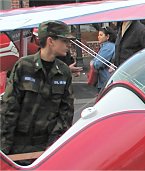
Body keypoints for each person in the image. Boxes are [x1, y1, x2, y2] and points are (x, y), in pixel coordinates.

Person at [0, 20, 75, 165]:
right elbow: (9, 109)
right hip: (18, 147)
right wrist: (4, 150)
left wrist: (55, 145)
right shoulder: (23, 66)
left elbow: (66, 113)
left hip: (49, 148)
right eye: (64, 40)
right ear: (50, 41)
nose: (68, 45)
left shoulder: (64, 72)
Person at [91, 26, 116, 92]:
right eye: (98, 35)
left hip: (106, 80)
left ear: (107, 37)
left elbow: (98, 64)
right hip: (104, 80)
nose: (98, 37)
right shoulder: (105, 46)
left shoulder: (108, 47)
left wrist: (92, 63)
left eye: (101, 35)